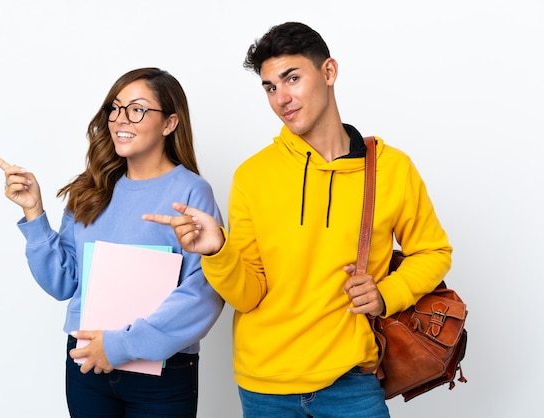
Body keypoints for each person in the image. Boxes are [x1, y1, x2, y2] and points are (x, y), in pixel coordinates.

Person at [143, 22, 452, 417]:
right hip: (264, 387)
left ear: (328, 72)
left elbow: (433, 251)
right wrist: (217, 250)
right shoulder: (253, 176)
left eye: (291, 78)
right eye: (270, 87)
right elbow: (248, 294)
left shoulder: (390, 168)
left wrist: (387, 294)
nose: (281, 98)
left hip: (351, 380)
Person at [0, 67, 224, 418]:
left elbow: (203, 293)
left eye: (137, 109)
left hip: (162, 372)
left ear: (169, 123)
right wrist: (35, 212)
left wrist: (119, 346)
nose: (120, 119)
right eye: (115, 108)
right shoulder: (91, 187)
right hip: (87, 363)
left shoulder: (192, 192)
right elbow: (62, 282)